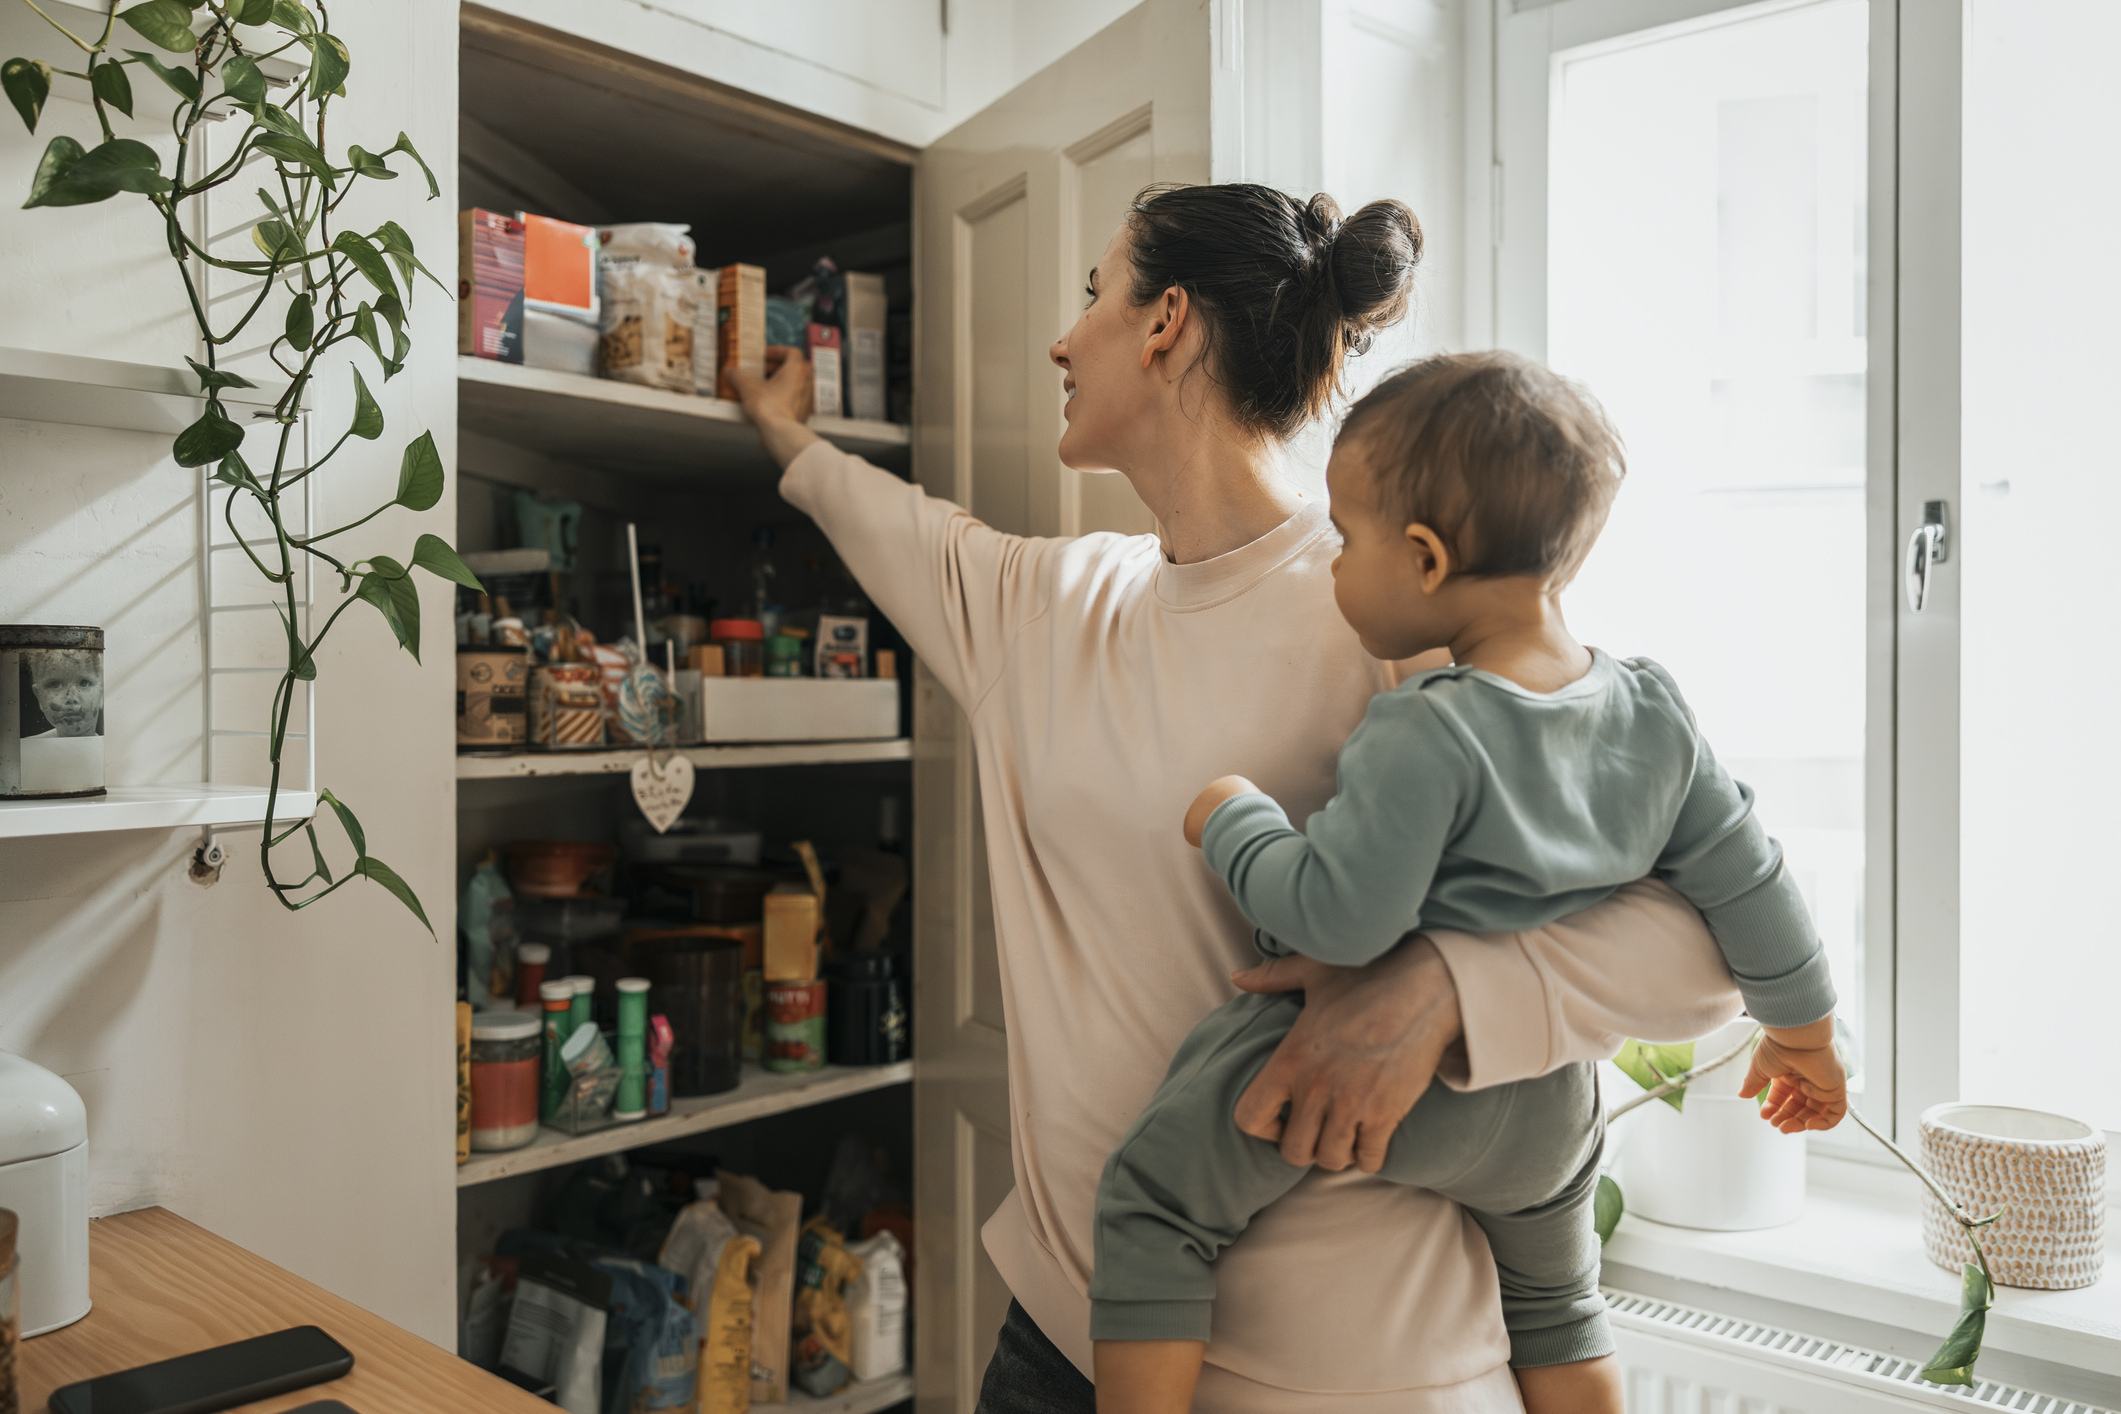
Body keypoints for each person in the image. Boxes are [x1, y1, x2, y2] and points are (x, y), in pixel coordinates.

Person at [730, 183, 1745, 1413]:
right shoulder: (1045, 605)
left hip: (1338, 1377)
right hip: (1067, 1337)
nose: (1063, 338)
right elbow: (891, 522)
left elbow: (1703, 950)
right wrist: (786, 434)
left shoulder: (1391, 604)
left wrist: (1441, 991)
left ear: (1165, 322)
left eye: (1091, 296)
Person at [1087, 352, 1850, 1414]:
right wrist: (1804, 1038)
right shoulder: (1652, 711)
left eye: (1347, 541)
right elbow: (1753, 886)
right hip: (1545, 1115)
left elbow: (1339, 922)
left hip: (1414, 1093)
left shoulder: (1430, 729)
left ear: (1426, 558)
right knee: (1558, 1297)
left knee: (1152, 1202)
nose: (1336, 566)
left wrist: (1235, 821)